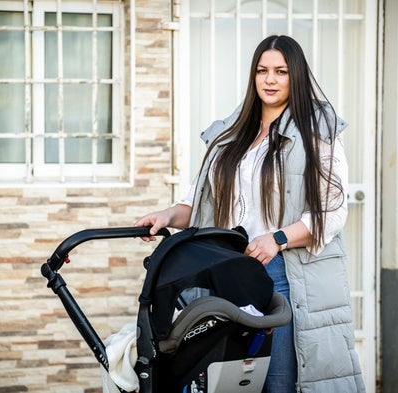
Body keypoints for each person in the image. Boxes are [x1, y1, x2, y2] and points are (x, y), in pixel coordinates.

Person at [135, 35, 365, 393]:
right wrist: (165, 216)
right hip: (229, 274)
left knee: (277, 382)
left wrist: (278, 238)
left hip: (282, 276)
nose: (269, 80)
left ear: (296, 76)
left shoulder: (317, 131)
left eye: (280, 71)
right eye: (262, 70)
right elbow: (200, 203)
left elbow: (331, 212)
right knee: (226, 383)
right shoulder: (230, 134)